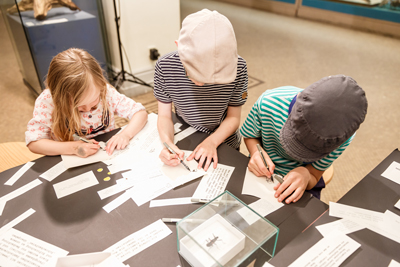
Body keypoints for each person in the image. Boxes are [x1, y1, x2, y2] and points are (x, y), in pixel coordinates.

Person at [240, 75, 368, 204]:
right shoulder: (269, 102)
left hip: (304, 180)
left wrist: (306, 175)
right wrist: (255, 152)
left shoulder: (341, 136)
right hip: (259, 171)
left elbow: (315, 175)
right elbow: (250, 135)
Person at [154, 9, 248, 171]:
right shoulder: (165, 67)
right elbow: (164, 116)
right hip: (186, 133)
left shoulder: (238, 67)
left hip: (224, 139)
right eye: (192, 74)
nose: (200, 84)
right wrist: (167, 143)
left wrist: (212, 141)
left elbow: (233, 118)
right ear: (179, 48)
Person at [26, 48, 148, 157]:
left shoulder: (105, 92)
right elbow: (34, 143)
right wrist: (74, 148)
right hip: (69, 158)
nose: (88, 109)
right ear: (59, 98)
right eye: (79, 108)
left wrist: (125, 135)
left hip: (107, 155)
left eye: (94, 104)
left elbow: (140, 113)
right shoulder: (47, 102)